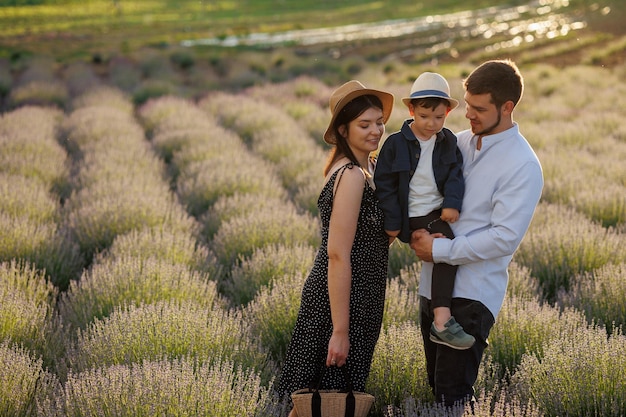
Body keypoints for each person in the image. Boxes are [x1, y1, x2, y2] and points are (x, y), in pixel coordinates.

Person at [410, 60, 543, 407]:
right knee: (434, 392)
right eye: (467, 105)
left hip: (471, 298)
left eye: (479, 109)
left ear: (507, 107)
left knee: (451, 399)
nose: (469, 115)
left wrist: (438, 252)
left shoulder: (522, 164)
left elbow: (504, 238)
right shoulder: (457, 143)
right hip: (431, 288)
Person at [277, 80, 394, 416]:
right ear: (343, 129)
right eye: (364, 124)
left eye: (378, 122)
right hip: (341, 303)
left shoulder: (365, 169)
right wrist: (340, 331)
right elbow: (338, 253)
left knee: (326, 402)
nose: (375, 131)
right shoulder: (353, 175)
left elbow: (371, 239)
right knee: (327, 402)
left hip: (359, 298)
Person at [374, 72, 475, 350]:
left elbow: (455, 175)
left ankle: (441, 321)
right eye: (424, 116)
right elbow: (384, 185)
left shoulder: (448, 141)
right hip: (405, 216)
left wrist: (452, 203)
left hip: (433, 214)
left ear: (448, 113)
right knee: (374, 260)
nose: (432, 124)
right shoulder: (395, 143)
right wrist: (394, 223)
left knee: (446, 250)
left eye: (439, 118)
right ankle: (437, 321)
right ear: (411, 111)